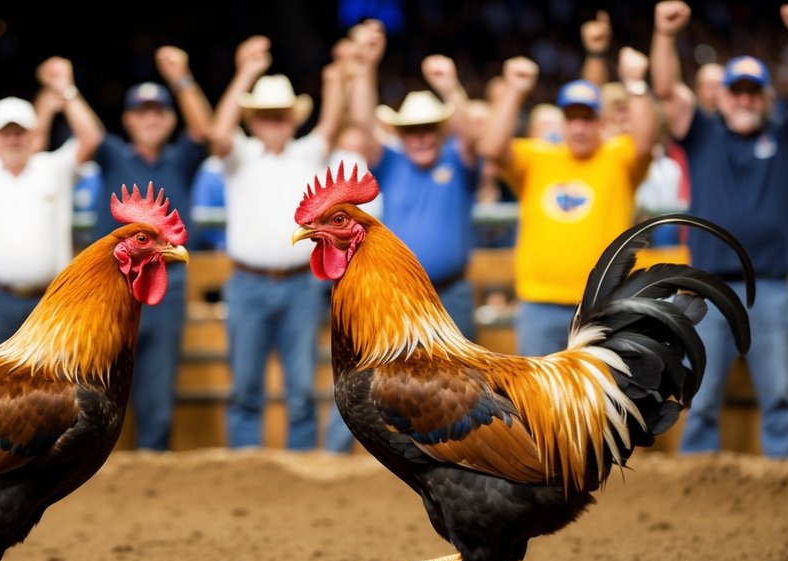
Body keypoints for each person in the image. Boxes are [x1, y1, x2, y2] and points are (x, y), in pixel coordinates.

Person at [651, 1, 788, 459]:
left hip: (767, 286)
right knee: (701, 396)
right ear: (722, 97)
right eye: (738, 91)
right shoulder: (704, 135)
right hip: (706, 290)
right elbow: (667, 90)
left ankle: (786, 478)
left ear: (766, 97)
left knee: (780, 394)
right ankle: (698, 482)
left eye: (754, 92)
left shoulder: (786, 138)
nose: (745, 99)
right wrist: (664, 35)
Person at [325, 22, 480, 454]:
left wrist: (451, 89)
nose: (421, 136)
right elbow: (362, 120)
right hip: (394, 302)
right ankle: (331, 462)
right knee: (361, 382)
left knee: (462, 391)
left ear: (441, 129)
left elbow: (472, 138)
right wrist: (368, 65)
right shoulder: (391, 163)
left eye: (429, 127)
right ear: (402, 134)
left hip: (452, 294)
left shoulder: (458, 158)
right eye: (412, 129)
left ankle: (457, 462)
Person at [207, 35, 345, 450]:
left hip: (300, 283)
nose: (274, 122)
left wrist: (337, 81)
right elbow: (218, 133)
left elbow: (332, 122)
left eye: (280, 115)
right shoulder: (241, 155)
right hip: (250, 283)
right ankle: (249, 469)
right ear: (253, 120)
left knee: (301, 389)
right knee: (246, 386)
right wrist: (245, 73)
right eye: (266, 115)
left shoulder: (306, 155)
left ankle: (297, 471)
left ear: (292, 118)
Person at [478, 48, 656, 357]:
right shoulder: (539, 157)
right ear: (562, 122)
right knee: (536, 404)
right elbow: (492, 148)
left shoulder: (617, 158)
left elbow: (645, 142)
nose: (579, 127)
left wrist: (636, 84)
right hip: (539, 305)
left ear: (600, 121)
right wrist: (514, 90)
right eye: (572, 118)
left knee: (602, 403)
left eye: (587, 118)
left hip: (602, 306)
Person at [0, 56, 103, 356]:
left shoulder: (53, 167)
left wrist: (67, 89)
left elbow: (91, 137)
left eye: (20, 131)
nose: (13, 139)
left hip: (47, 302)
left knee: (52, 396)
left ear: (34, 135)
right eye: (5, 132)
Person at [90, 46, 213, 451]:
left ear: (170, 118)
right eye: (141, 111)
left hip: (165, 284)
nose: (150, 118)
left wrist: (181, 78)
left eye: (158, 111)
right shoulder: (111, 155)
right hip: (112, 284)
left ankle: (153, 469)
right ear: (127, 120)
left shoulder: (180, 159)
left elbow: (204, 131)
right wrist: (66, 91)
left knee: (158, 393)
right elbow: (90, 135)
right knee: (98, 388)